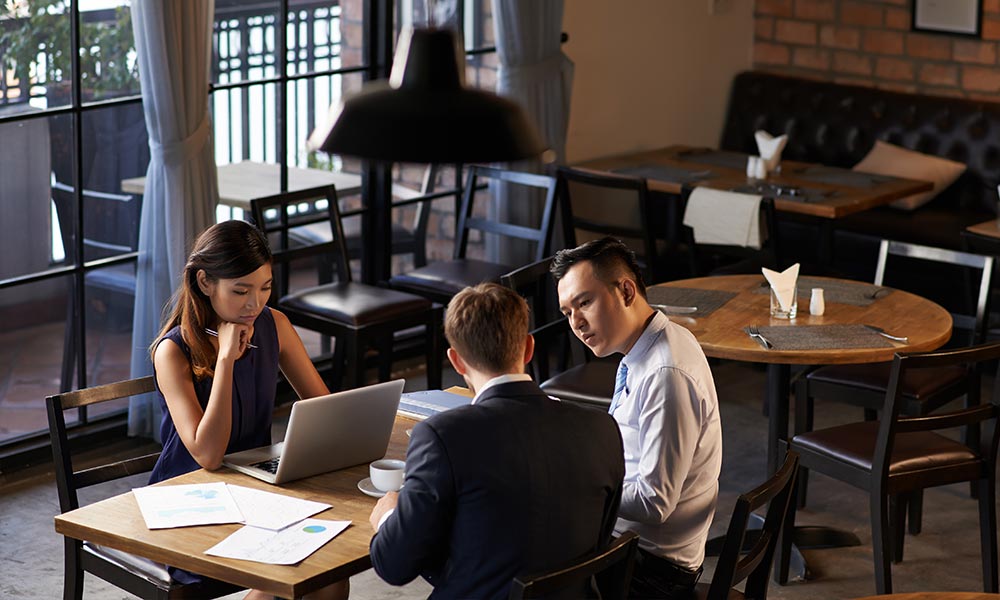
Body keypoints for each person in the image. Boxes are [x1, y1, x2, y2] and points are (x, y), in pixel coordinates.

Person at [368, 283, 625, 599]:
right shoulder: (603, 428)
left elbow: (394, 566)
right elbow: (598, 541)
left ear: (456, 361)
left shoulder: (442, 436)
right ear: (528, 348)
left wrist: (389, 516)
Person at [148, 219, 346, 600]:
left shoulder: (275, 325)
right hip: (190, 503)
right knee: (286, 578)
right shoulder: (172, 352)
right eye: (241, 291)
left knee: (330, 574)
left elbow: (326, 410)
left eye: (265, 288)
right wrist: (225, 359)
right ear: (205, 282)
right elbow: (208, 455)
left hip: (254, 491)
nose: (255, 303)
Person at [552, 237, 723, 599]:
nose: (577, 323)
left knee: (510, 549)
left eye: (585, 303)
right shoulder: (651, 342)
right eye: (567, 312)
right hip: (631, 543)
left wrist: (578, 482)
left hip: (651, 572)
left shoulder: (666, 374)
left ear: (626, 291)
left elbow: (655, 502)